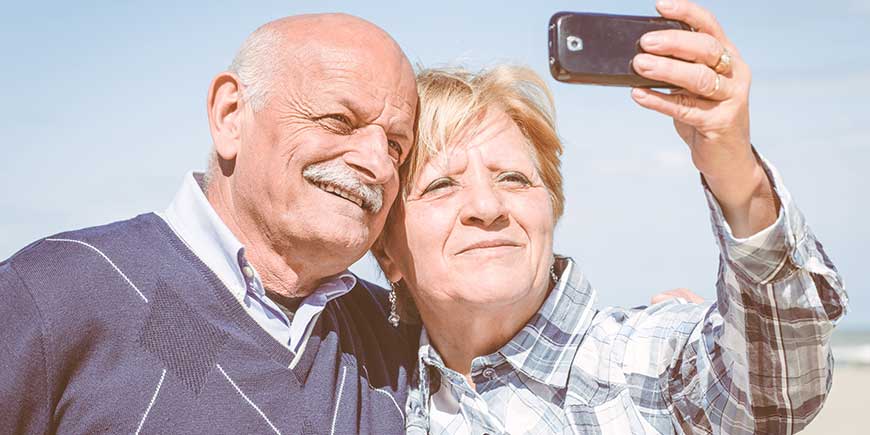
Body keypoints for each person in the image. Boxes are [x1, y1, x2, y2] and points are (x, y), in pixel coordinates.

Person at [371, 1, 848, 433]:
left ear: (551, 208)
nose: (487, 207)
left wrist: (738, 174)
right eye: (441, 186)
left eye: (513, 178)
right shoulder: (378, 395)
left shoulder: (644, 361)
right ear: (387, 252)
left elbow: (776, 388)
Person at [0, 14, 419, 434]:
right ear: (230, 115)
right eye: (339, 122)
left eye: (396, 146)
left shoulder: (401, 346)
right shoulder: (57, 292)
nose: (378, 164)